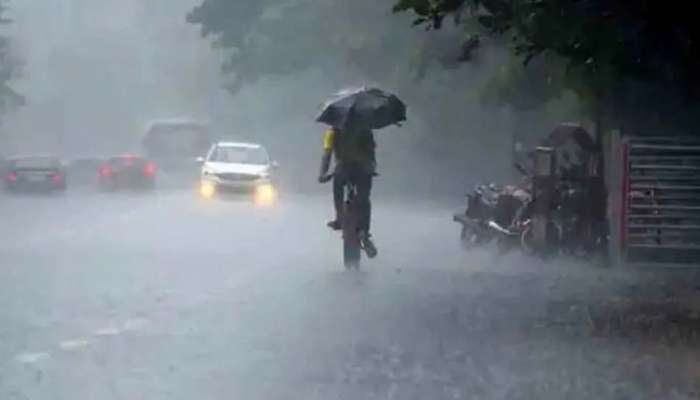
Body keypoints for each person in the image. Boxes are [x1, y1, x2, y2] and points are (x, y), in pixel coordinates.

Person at [318, 125, 378, 258]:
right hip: (362, 170)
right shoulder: (365, 129)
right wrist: (372, 168)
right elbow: (371, 154)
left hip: (343, 171)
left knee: (337, 190)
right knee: (364, 198)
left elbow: (327, 154)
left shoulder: (332, 132)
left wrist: (322, 173)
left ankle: (339, 218)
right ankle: (364, 231)